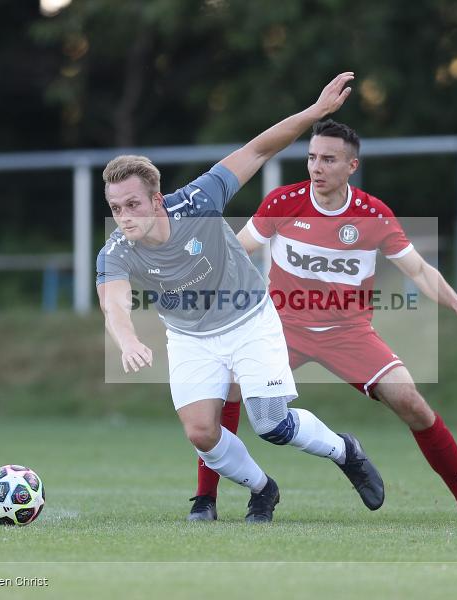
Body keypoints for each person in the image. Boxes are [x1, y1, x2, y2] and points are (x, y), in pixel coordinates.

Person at [96, 73, 385, 524]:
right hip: (190, 337)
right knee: (200, 431)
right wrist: (128, 341)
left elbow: (258, 149)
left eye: (133, 204)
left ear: (156, 200)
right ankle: (263, 490)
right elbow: (113, 302)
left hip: (250, 319)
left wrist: (315, 113)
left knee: (271, 424)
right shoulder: (116, 249)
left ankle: (344, 450)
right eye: (116, 208)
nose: (125, 216)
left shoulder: (197, 201)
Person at [187, 118, 457, 523]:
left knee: (413, 404)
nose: (316, 167)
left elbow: (420, 270)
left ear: (351, 166)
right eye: (311, 158)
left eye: (328, 159)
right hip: (281, 329)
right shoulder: (283, 202)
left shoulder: (373, 215)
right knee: (226, 391)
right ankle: (205, 500)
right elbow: (238, 251)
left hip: (349, 333)